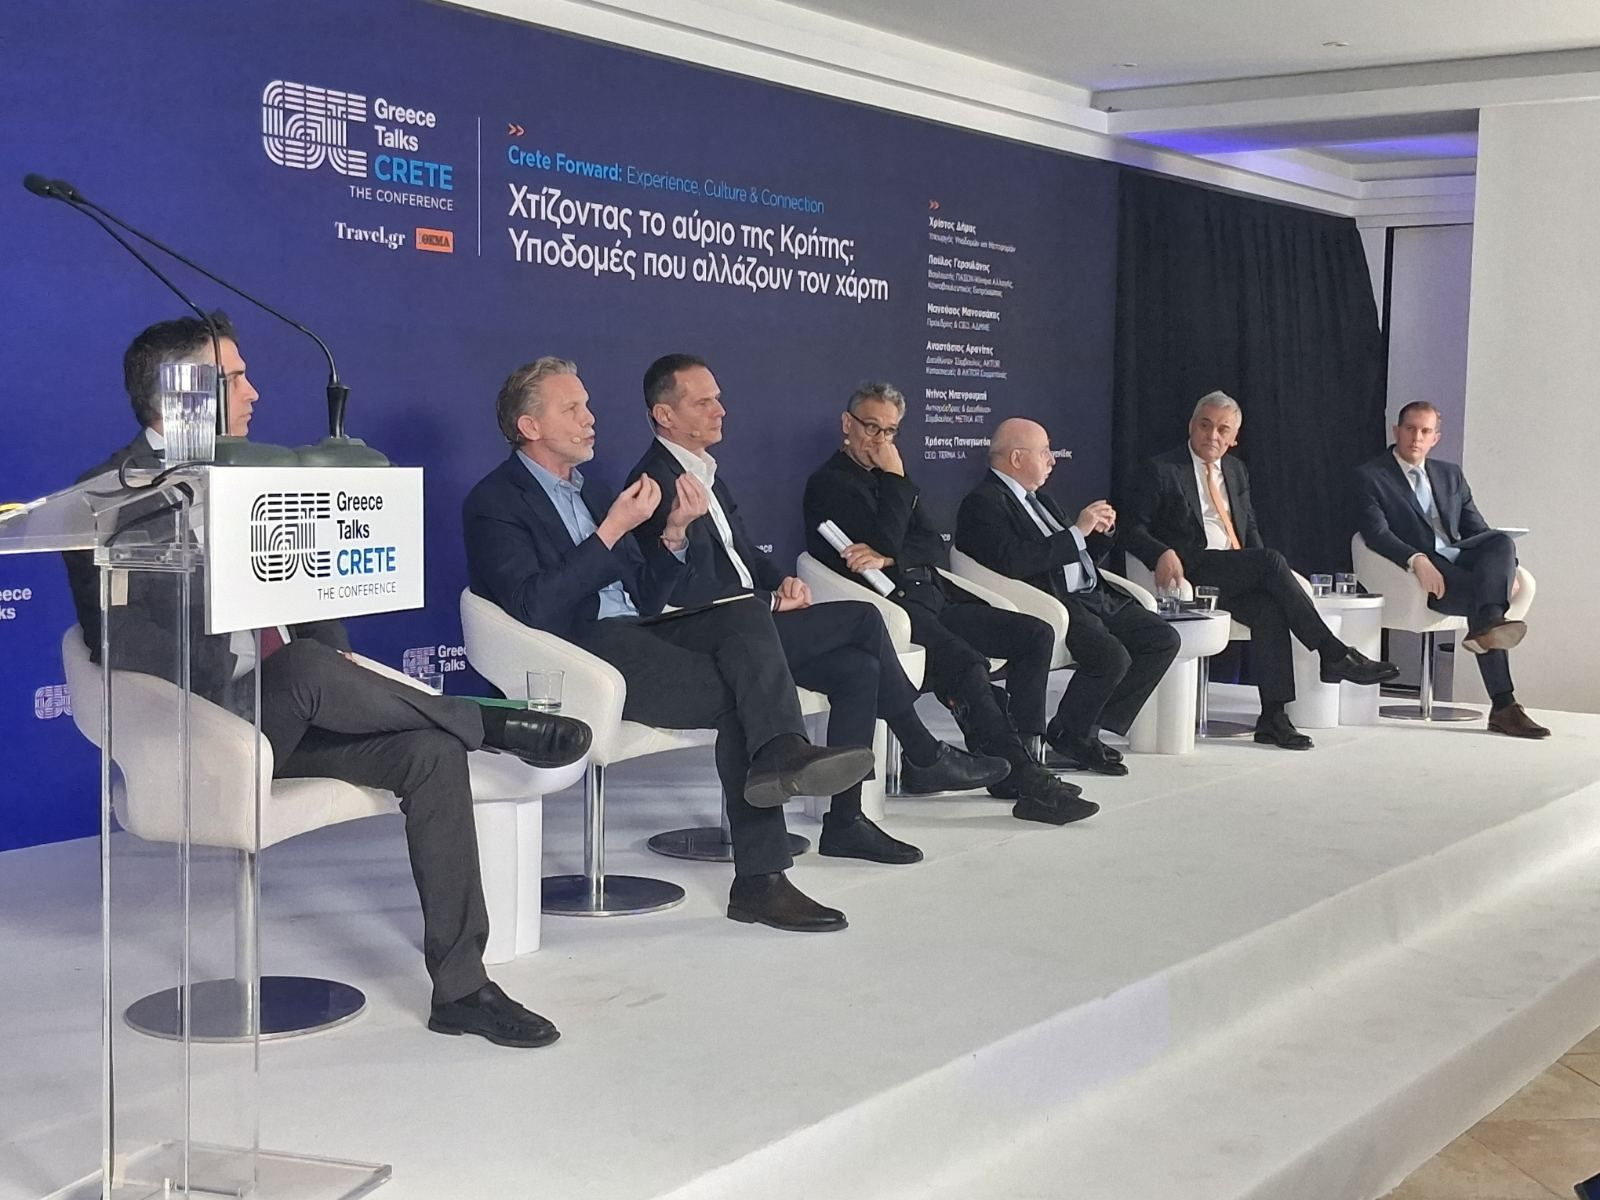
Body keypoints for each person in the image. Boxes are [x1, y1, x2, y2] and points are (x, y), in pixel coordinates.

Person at [63, 314, 591, 1049]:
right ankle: (489, 722)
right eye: (235, 378)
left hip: (293, 712)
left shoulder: (254, 475)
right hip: (205, 726)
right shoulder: (110, 498)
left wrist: (337, 665)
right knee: (307, 669)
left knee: (428, 752)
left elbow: (307, 593)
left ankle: (463, 988)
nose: (255, 392)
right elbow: (125, 647)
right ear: (181, 394)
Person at [462, 357, 877, 933]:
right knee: (742, 699)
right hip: (585, 649)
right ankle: (762, 880)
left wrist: (675, 531)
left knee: (744, 613)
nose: (590, 418)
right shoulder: (494, 501)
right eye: (572, 409)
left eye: (587, 406)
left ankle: (783, 750)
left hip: (642, 627)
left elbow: (649, 594)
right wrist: (612, 530)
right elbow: (533, 606)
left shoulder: (595, 491)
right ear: (529, 426)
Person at [624, 354, 1009, 864]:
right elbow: (673, 587)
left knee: (858, 668)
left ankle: (846, 823)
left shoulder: (704, 472)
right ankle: (921, 749)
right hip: (713, 635)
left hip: (753, 619)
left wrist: (780, 581)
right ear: (664, 415)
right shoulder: (653, 482)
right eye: (704, 402)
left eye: (718, 398)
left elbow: (741, 554)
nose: (720, 409)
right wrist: (766, 601)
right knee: (863, 618)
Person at [802, 382, 1098, 826]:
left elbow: (929, 543)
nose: (880, 441)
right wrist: (895, 485)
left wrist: (891, 553)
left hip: (933, 595)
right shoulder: (830, 483)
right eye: (871, 428)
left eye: (890, 431)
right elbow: (880, 541)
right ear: (847, 424)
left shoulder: (896, 476)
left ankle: (1022, 758)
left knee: (1034, 634)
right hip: (892, 608)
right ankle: (1030, 783)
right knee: (964, 663)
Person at [1119, 390, 1398, 750]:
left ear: (1234, 438)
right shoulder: (1161, 470)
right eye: (1205, 425)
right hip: (1192, 569)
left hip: (1233, 569)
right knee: (1271, 561)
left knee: (1269, 609)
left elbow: (1247, 528)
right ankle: (1333, 653)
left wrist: (1267, 577)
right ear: (1191, 426)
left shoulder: (1236, 471)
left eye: (1223, 430)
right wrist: (1162, 552)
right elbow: (1131, 529)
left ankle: (1273, 718)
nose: (1212, 435)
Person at [955, 418, 1180, 775]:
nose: (1052, 460)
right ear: (1017, 458)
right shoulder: (983, 503)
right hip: (1050, 601)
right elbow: (1015, 561)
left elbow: (1073, 555)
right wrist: (1077, 532)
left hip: (1092, 594)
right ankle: (1076, 734)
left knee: (1163, 639)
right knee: (1111, 657)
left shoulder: (1041, 500)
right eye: (1044, 452)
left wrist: (1100, 535)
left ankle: (1079, 727)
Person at [1353, 401, 1548, 738]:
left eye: (1425, 431)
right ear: (1396, 431)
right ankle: (1504, 704)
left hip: (1462, 561)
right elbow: (1376, 534)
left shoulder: (1450, 474)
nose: (1416, 437)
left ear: (1436, 438)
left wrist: (1508, 572)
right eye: (1410, 429)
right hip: (1428, 572)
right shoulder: (1371, 476)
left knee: (1500, 542)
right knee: (1486, 606)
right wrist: (1417, 559)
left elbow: (1477, 530)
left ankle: (1490, 631)